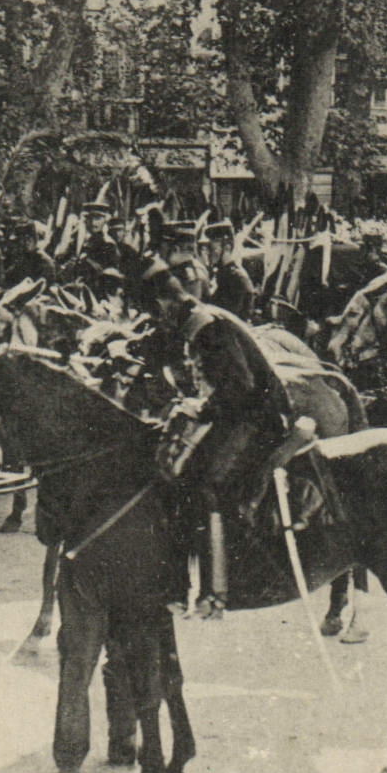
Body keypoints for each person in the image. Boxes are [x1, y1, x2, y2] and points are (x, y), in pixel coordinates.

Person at [145, 258, 291, 618]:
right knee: (179, 472)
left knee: (208, 481)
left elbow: (240, 388)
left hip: (262, 415)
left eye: (155, 312)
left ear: (165, 303)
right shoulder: (195, 319)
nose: (158, 320)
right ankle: (181, 588)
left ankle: (217, 592)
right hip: (241, 411)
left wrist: (202, 410)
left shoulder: (206, 326)